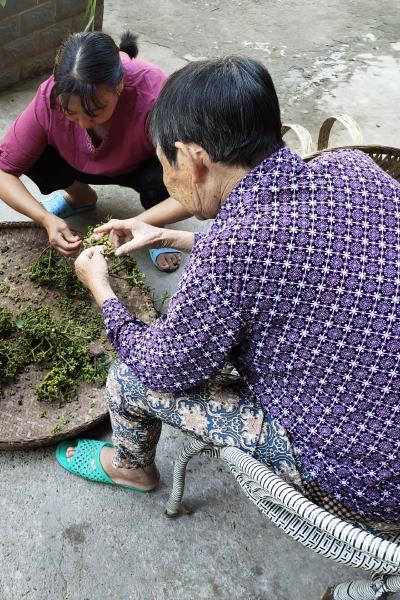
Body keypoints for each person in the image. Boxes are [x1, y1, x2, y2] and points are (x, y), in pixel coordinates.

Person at [57, 56, 400, 529]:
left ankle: (131, 468)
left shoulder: (232, 251)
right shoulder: (353, 167)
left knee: (130, 376)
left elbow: (165, 366)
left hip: (372, 482)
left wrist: (102, 291)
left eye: (164, 164)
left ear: (195, 159)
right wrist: (180, 238)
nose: (167, 181)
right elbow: (301, 253)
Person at [0, 31, 189, 271]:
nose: (83, 124)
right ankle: (80, 196)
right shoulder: (49, 96)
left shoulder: (154, 94)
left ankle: (155, 229)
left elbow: (195, 190)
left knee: (165, 177)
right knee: (32, 155)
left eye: (95, 111)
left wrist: (136, 223)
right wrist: (44, 218)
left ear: (119, 86)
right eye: (70, 112)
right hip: (78, 161)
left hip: (141, 166)